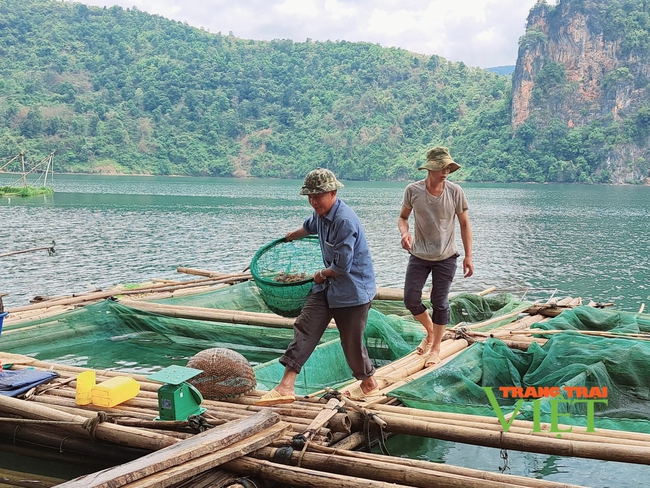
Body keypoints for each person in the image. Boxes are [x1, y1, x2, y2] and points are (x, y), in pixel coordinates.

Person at [255, 168, 379, 406]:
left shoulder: (344, 220)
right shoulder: (320, 214)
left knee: (351, 342)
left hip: (352, 291)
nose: (313, 201)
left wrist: (321, 274)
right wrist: (294, 235)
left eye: (317, 196)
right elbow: (310, 226)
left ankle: (368, 383)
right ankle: (285, 386)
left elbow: (342, 266)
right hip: (327, 288)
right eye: (309, 197)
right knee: (305, 328)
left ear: (332, 193)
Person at [397, 146, 473, 367]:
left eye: (448, 168)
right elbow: (402, 218)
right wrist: (405, 233)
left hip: (446, 256)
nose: (446, 172)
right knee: (411, 299)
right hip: (419, 254)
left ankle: (436, 348)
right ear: (430, 169)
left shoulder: (455, 192)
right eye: (441, 168)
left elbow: (465, 224)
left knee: (439, 301)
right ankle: (430, 331)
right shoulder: (413, 190)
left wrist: (469, 256)